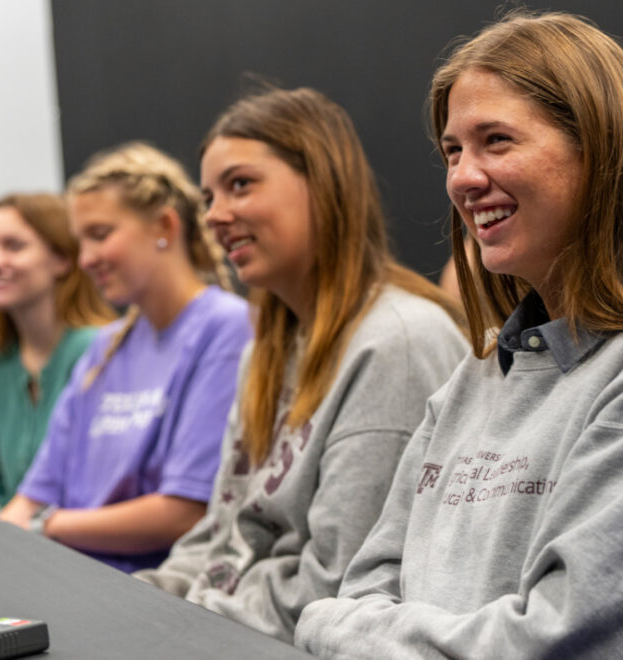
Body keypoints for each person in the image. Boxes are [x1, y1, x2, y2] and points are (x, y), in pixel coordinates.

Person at [294, 12, 623, 659]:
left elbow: (558, 639)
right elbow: (365, 583)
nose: (463, 178)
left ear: (599, 150)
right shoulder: (478, 376)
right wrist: (344, 624)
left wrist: (337, 631)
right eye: (453, 150)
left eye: (496, 140)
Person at [135, 87, 468, 641]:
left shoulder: (397, 343)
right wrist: (136, 604)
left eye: (240, 185)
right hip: (223, 626)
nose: (216, 216)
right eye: (208, 197)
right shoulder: (262, 353)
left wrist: (177, 625)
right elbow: (218, 536)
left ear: (323, 183)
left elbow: (336, 586)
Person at [0, 143, 251, 573]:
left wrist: (47, 525)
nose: (87, 259)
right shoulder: (105, 346)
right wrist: (0, 542)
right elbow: (33, 494)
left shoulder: (225, 329)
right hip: (69, 575)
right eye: (81, 242)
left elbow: (184, 512)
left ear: (164, 226)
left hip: (154, 592)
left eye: (100, 235)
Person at [0, 194, 115, 520]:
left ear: (62, 259)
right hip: (22, 548)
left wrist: (5, 521)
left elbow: (107, 489)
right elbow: (0, 488)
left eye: (13, 246)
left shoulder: (100, 349)